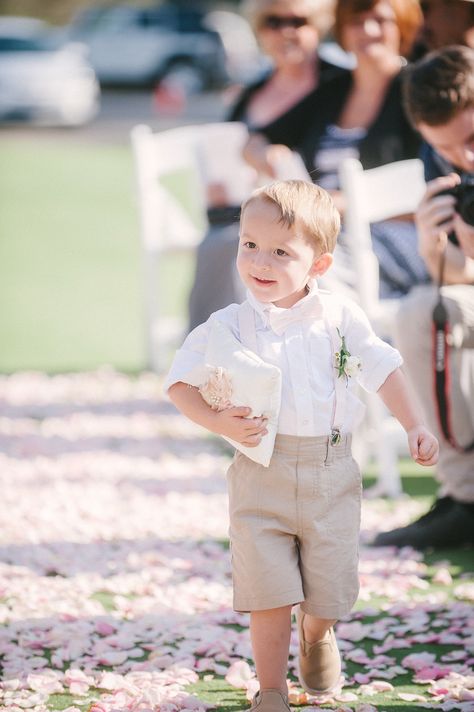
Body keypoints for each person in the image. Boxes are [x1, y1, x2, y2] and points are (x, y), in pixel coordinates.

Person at [165, 179, 439, 711]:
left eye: (280, 252)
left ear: (319, 265)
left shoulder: (340, 319)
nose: (259, 262)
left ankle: (317, 633)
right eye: (249, 245)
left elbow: (383, 369)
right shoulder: (229, 324)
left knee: (328, 590)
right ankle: (270, 688)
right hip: (259, 473)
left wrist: (415, 425)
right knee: (268, 594)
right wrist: (219, 422)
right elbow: (180, 384)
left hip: (329, 473)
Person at [187, 0, 345, 331]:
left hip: (305, 216)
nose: (286, 31)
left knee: (232, 244)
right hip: (242, 210)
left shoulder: (338, 86)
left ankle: (241, 348)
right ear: (261, 30)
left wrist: (276, 158)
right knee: (220, 242)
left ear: (318, 26)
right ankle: (206, 354)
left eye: (298, 21)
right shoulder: (251, 92)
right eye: (274, 22)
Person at [372, 45, 474, 549]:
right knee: (420, 310)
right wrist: (437, 250)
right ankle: (465, 498)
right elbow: (464, 278)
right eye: (450, 150)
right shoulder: (450, 173)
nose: (467, 158)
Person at [296, 0, 431, 299]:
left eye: (381, 20)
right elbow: (265, 135)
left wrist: (346, 204)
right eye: (357, 21)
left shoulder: (420, 89)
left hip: (400, 233)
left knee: (310, 269)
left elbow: (437, 177)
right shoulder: (333, 90)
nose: (368, 30)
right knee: (266, 259)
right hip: (328, 229)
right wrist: (268, 154)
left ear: (403, 27)